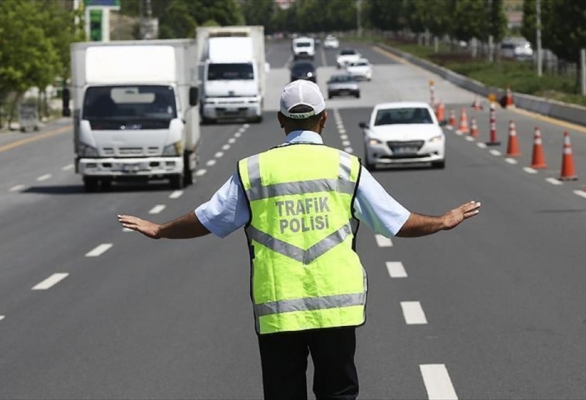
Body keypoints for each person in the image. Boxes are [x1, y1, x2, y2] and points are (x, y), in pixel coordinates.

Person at [118, 80, 481, 400]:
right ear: (323, 119)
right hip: (337, 308)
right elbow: (396, 222)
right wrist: (442, 221)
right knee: (338, 393)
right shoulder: (346, 167)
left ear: (280, 121)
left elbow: (209, 219)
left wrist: (161, 229)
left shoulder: (255, 170)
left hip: (279, 308)